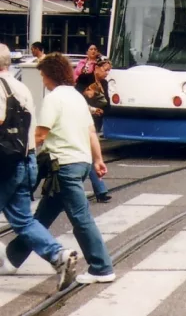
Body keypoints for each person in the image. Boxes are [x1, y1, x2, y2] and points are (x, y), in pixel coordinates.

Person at [5, 54, 116, 284]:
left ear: (51, 75)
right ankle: (12, 258)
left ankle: (102, 268)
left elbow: (40, 134)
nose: (43, 80)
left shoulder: (54, 99)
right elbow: (91, 132)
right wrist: (97, 160)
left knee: (81, 218)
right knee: (41, 217)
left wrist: (23, 151)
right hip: (81, 162)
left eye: (44, 76)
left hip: (64, 166)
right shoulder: (76, 97)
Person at [0, 45, 78, 289]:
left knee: (23, 219)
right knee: (23, 220)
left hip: (4, 164)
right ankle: (59, 256)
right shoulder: (21, 86)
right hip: (25, 160)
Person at [81, 59, 112, 203]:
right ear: (97, 68)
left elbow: (108, 104)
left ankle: (100, 191)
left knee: (89, 157)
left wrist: (102, 110)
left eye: (108, 71)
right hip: (83, 121)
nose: (106, 73)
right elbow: (78, 98)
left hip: (95, 123)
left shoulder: (104, 84)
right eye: (105, 70)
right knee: (90, 157)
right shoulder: (85, 78)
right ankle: (100, 191)